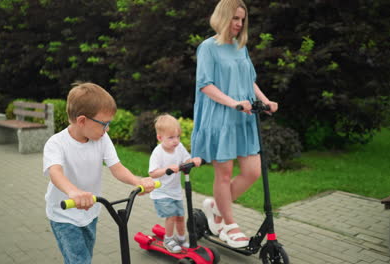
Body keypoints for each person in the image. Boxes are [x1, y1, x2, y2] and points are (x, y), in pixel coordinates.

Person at [191, 0, 278, 248]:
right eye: (234, 18)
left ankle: (215, 208)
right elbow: (205, 84)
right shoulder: (208, 48)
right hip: (220, 118)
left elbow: (249, 81)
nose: (239, 24)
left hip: (244, 119)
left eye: (242, 19)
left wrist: (265, 101)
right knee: (224, 173)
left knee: (252, 171)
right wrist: (233, 103)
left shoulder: (241, 47)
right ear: (222, 17)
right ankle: (228, 225)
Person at [43, 82, 155, 263]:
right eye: (104, 124)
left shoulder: (101, 139)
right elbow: (55, 173)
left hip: (91, 210)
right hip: (64, 214)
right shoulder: (56, 144)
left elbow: (116, 167)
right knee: (79, 260)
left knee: (84, 256)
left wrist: (137, 181)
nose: (107, 129)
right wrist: (74, 192)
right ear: (82, 121)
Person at [148, 114, 202, 253]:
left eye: (177, 136)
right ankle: (168, 240)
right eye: (171, 137)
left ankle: (181, 238)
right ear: (160, 138)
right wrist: (166, 170)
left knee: (180, 216)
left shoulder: (179, 147)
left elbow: (186, 160)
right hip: (161, 192)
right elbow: (152, 173)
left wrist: (194, 160)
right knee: (171, 216)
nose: (176, 141)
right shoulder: (158, 153)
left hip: (175, 191)